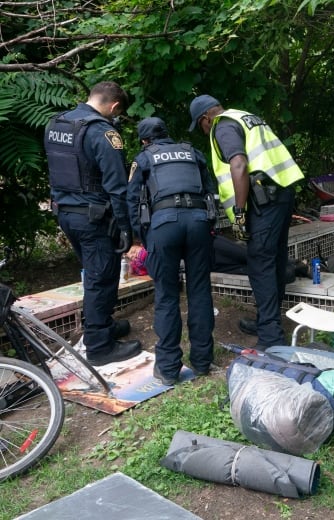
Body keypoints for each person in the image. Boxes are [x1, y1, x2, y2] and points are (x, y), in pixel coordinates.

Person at [189, 95, 304, 349]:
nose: (204, 131)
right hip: (281, 192)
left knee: (260, 264)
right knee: (274, 258)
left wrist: (239, 213)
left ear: (205, 118)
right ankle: (266, 321)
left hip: (264, 200)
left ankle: (271, 337)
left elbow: (239, 165)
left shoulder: (222, 125)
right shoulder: (245, 116)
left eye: (201, 126)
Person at [44, 81, 142, 366]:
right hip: (93, 218)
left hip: (65, 213)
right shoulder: (103, 132)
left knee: (94, 272)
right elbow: (117, 187)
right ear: (114, 107)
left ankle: (103, 325)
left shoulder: (57, 124)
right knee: (102, 278)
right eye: (118, 113)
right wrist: (127, 229)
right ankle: (100, 346)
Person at [127, 117, 218, 385]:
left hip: (163, 225)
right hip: (199, 223)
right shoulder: (193, 153)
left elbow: (131, 199)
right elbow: (210, 191)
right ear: (167, 134)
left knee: (166, 294)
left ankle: (167, 369)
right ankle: (203, 361)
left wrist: (142, 237)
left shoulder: (144, 158)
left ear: (145, 140)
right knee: (200, 290)